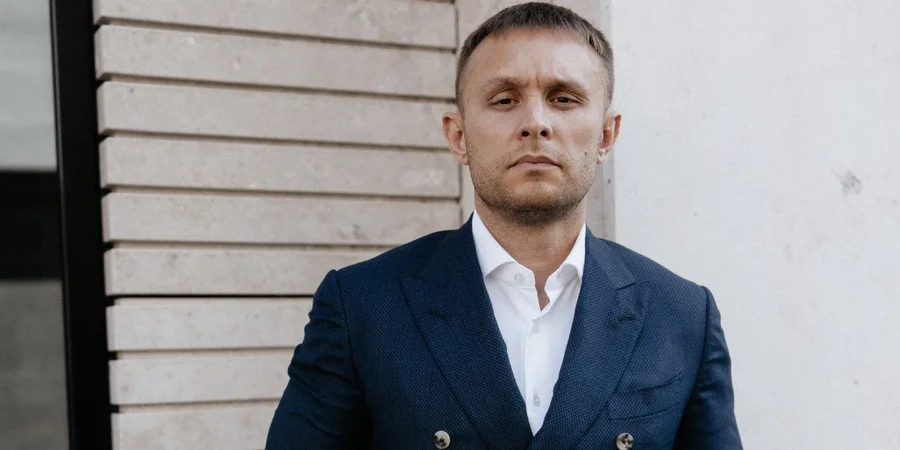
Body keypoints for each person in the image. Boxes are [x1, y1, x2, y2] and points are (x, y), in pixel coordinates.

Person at [266, 2, 741, 449]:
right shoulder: (363, 307)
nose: (536, 123)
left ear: (606, 134)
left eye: (564, 98)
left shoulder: (682, 316)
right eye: (504, 99)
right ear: (458, 135)